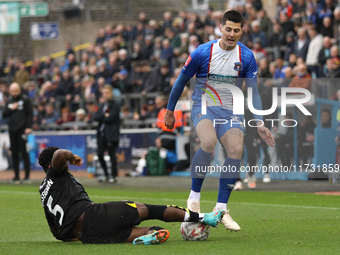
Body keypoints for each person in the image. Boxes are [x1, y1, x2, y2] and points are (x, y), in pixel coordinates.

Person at [164, 10, 275, 232]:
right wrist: (170, 110)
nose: (231, 34)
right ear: (220, 28)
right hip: (203, 106)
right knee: (208, 142)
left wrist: (260, 122)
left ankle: (221, 209)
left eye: (236, 30)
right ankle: (194, 198)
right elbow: (181, 80)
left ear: (242, 31)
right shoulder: (203, 52)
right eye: (228, 29)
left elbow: (253, 92)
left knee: (236, 149)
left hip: (231, 111)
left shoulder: (247, 57)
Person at [38, 146, 224, 244]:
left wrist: (75, 236)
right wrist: (71, 156)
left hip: (89, 236)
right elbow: (61, 154)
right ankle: (205, 217)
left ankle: (149, 235)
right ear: (51, 166)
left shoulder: (43, 191)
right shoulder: (57, 172)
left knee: (155, 230)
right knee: (150, 210)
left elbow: (56, 231)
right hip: (93, 215)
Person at [2, 83, 33, 183]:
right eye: (12, 91)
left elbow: (30, 114)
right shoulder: (9, 101)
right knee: (14, 153)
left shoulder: (25, 100)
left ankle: (27, 177)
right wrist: (11, 108)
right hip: (12, 130)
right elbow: (4, 114)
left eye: (16, 91)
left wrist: (28, 127)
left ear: (19, 90)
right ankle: (16, 176)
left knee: (24, 153)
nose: (14, 93)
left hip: (22, 130)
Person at [94, 85, 120, 183]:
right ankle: (106, 174)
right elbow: (96, 117)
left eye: (107, 92)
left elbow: (111, 118)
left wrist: (103, 116)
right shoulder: (101, 105)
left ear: (111, 93)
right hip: (101, 133)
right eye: (104, 93)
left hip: (111, 134)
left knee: (111, 154)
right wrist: (104, 115)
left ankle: (113, 176)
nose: (105, 94)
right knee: (100, 154)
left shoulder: (115, 104)